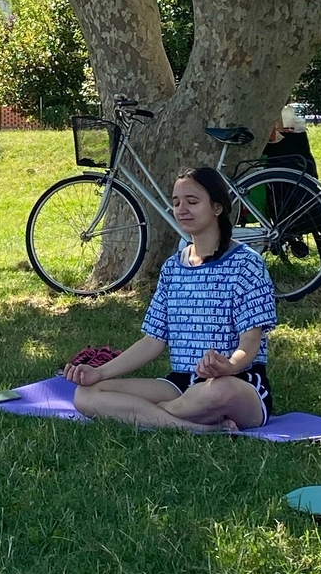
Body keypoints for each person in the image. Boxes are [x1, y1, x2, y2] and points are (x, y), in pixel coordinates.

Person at [63, 167, 277, 433]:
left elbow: (251, 340)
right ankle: (200, 428)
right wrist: (100, 373)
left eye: (192, 201)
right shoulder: (173, 267)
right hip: (179, 383)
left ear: (217, 207)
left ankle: (149, 415)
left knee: (220, 390)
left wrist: (229, 365)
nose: (182, 209)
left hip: (236, 381)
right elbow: (153, 341)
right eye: (176, 203)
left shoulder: (248, 264)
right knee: (86, 394)